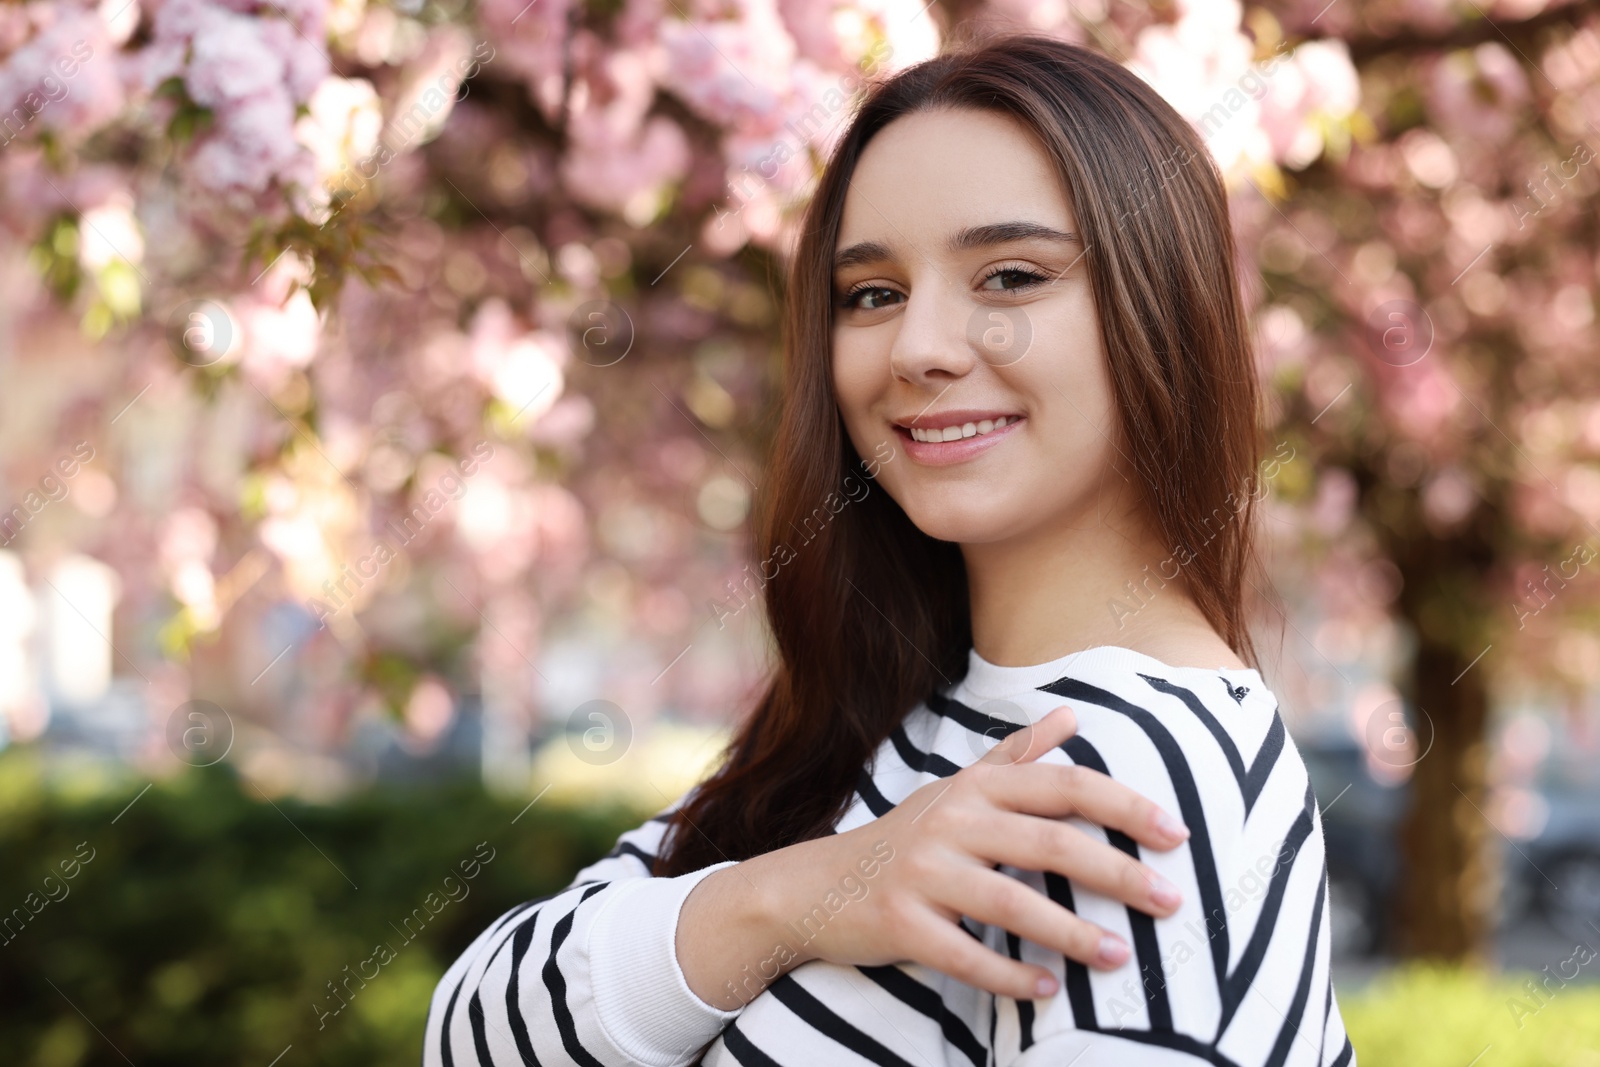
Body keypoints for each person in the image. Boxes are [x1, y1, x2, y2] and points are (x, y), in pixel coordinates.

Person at [424, 32, 1354, 1067]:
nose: (918, 349)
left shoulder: (1129, 772)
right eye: (872, 293)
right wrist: (804, 892)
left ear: (1159, 308)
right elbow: (473, 1030)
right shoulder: (880, 713)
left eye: (1009, 275)